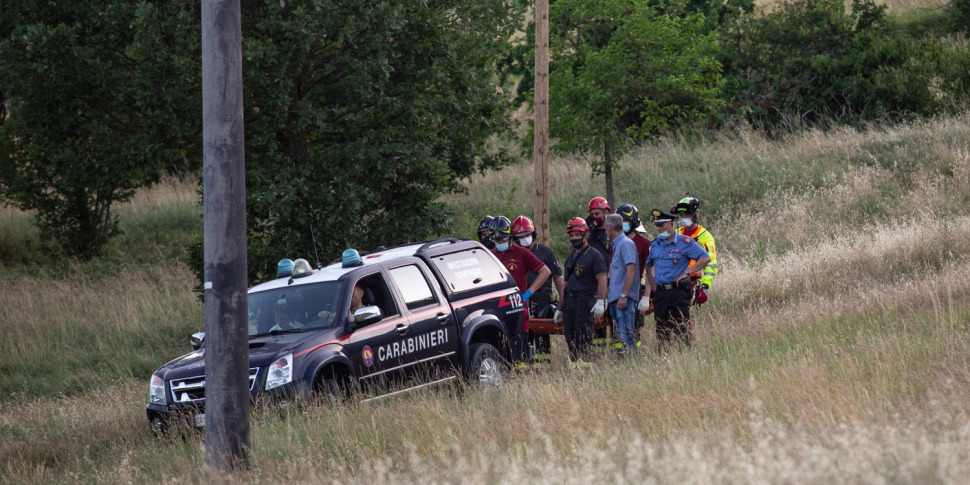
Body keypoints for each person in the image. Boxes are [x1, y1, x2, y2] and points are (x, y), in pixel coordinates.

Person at [644, 209, 711, 351]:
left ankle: (685, 355)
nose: (659, 228)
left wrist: (687, 272)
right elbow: (648, 264)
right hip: (661, 293)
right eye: (657, 225)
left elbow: (705, 258)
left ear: (671, 224)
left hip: (678, 291)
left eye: (662, 225)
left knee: (681, 326)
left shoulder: (684, 242)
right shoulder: (655, 243)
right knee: (661, 327)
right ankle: (664, 356)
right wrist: (652, 281)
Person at [489, 216, 551, 348]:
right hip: (498, 305)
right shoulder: (490, 255)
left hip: (518, 305)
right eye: (496, 240)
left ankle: (523, 366)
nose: (500, 242)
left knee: (520, 340)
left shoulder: (521, 253)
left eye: (503, 239)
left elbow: (545, 272)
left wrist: (529, 293)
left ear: (510, 237)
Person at [554, 218, 608, 362]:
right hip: (570, 301)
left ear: (585, 235)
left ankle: (585, 371)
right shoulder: (570, 259)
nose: (574, 238)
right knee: (570, 338)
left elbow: (602, 279)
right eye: (571, 236)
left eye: (577, 235)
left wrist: (601, 301)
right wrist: (560, 308)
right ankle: (576, 369)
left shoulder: (595, 255)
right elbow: (565, 285)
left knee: (583, 338)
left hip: (585, 300)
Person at [513, 215, 565, 356]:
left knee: (541, 336)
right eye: (521, 236)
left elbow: (557, 278)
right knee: (523, 335)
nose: (525, 238)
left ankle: (544, 367)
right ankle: (526, 365)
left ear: (533, 233)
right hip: (521, 300)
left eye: (527, 234)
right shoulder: (515, 254)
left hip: (542, 299)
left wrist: (562, 303)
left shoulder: (545, 252)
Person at [671, 196, 718, 305]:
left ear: (695, 214)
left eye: (687, 215)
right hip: (673, 281)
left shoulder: (706, 237)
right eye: (681, 216)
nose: (684, 218)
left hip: (691, 282)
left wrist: (705, 286)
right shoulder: (676, 233)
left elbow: (711, 264)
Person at [604, 213, 640, 354]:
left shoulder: (625, 244)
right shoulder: (617, 244)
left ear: (609, 227)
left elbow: (631, 269)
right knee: (622, 333)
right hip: (616, 297)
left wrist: (624, 295)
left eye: (606, 228)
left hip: (623, 298)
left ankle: (633, 360)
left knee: (627, 334)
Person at [616, 203, 651, 346]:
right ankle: (619, 355)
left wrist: (646, 296)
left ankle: (633, 358)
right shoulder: (615, 243)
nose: (623, 224)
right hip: (616, 291)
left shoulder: (644, 243)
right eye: (620, 221)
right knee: (616, 327)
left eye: (626, 221)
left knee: (634, 327)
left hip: (634, 292)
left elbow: (650, 272)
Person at [584, 197, 612, 262]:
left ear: (606, 212)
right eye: (591, 214)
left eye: (597, 214)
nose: (594, 217)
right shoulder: (587, 230)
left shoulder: (613, 230)